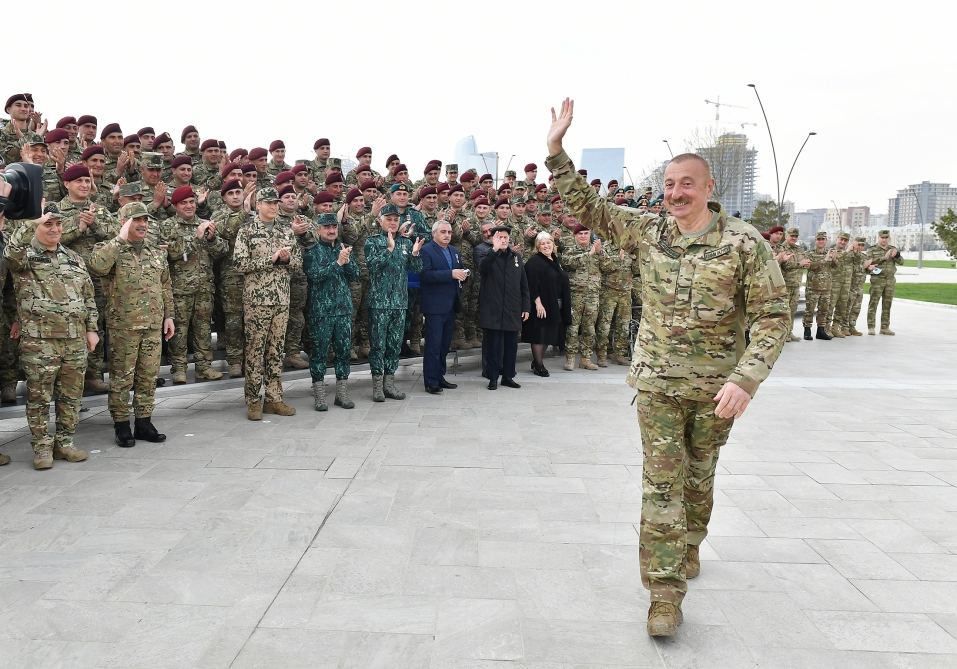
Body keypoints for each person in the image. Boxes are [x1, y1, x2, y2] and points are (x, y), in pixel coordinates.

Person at [545, 98, 789, 637]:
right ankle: (663, 592)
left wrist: (745, 379)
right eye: (669, 184)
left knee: (698, 479)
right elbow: (588, 207)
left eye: (686, 184)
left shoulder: (743, 244)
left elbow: (774, 316)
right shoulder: (648, 232)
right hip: (656, 383)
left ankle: (689, 545)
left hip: (716, 391)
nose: (674, 193)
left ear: (708, 190)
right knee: (662, 483)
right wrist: (556, 149)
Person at [4, 204, 99, 470]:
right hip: (40, 341)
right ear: (37, 227)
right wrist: (31, 221)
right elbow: (10, 252)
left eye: (58, 224)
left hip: (74, 339)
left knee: (71, 396)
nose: (55, 229)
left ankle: (65, 443)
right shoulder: (24, 257)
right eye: (48, 224)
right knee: (39, 397)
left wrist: (92, 329)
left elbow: (88, 296)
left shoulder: (73, 257)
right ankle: (42, 448)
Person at [88, 202, 175, 447]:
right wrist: (119, 239)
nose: (143, 224)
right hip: (123, 326)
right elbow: (96, 266)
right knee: (122, 377)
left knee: (148, 375)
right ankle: (121, 424)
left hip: (152, 324)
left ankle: (144, 422)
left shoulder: (156, 252)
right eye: (136, 220)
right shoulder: (111, 248)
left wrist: (169, 316)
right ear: (124, 222)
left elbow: (166, 285)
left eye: (145, 220)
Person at [232, 187, 303, 420]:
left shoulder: (286, 231)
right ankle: (253, 400)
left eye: (276, 203)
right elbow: (240, 264)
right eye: (269, 203)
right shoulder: (247, 231)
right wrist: (270, 259)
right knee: (255, 350)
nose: (274, 207)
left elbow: (298, 263)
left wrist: (288, 258)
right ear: (258, 205)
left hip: (281, 299)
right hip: (257, 301)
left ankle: (274, 398)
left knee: (275, 350)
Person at [364, 204, 424, 402]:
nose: (392, 222)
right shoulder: (372, 242)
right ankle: (377, 386)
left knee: (394, 345)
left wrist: (415, 253)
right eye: (388, 219)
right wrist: (389, 249)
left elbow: (415, 268)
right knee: (378, 345)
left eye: (395, 219)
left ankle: (389, 384)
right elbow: (372, 267)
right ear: (380, 220)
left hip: (399, 302)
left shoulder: (405, 243)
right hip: (379, 303)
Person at [303, 213, 359, 411]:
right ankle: (319, 395)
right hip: (321, 312)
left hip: (343, 310)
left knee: (343, 352)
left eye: (334, 226)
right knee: (319, 353)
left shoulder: (343, 248)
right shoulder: (312, 252)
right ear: (318, 230)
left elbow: (355, 275)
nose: (331, 230)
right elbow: (315, 276)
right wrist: (337, 264)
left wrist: (347, 260)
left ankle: (341, 394)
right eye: (326, 227)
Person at [478, 225, 530, 390]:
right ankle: (492, 377)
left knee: (511, 346)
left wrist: (526, 307)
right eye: (500, 237)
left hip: (512, 309)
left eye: (506, 237)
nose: (503, 240)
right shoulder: (486, 254)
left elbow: (524, 285)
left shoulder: (516, 257)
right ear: (493, 239)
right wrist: (494, 250)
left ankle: (508, 376)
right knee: (493, 347)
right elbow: (483, 269)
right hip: (493, 310)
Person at [419, 220, 467, 394]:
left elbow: (458, 270)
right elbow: (425, 275)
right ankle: (431, 382)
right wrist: (451, 274)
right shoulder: (426, 250)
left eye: (449, 232)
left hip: (451, 304)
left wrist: (462, 274)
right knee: (433, 345)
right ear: (434, 234)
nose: (447, 235)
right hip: (435, 306)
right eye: (443, 232)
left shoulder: (453, 251)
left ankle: (440, 376)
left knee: (444, 345)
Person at [522, 232, 570, 377]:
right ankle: (538, 365)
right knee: (539, 335)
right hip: (541, 305)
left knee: (549, 335)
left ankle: (537, 361)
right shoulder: (534, 262)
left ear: (553, 245)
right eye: (542, 244)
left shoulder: (555, 260)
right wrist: (538, 303)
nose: (546, 246)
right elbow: (531, 284)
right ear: (538, 247)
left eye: (548, 243)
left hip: (555, 305)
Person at [562, 223, 602, 370]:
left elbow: (609, 267)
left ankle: (585, 358)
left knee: (590, 328)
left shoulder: (598, 251)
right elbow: (568, 263)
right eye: (580, 234)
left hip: (592, 295)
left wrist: (601, 253)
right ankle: (570, 358)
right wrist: (589, 253)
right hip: (576, 295)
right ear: (575, 236)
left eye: (586, 233)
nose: (583, 236)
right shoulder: (570, 251)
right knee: (573, 328)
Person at [864, 228, 903, 335]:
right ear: (878, 238)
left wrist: (897, 255)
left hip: (890, 281)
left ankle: (884, 327)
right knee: (873, 304)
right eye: (882, 238)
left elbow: (902, 262)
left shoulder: (893, 249)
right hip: (877, 280)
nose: (884, 240)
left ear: (889, 238)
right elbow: (867, 263)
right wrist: (883, 258)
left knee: (887, 304)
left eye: (886, 238)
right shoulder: (872, 249)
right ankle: (871, 327)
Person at [803, 231, 836, 341]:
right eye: (819, 239)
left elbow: (836, 267)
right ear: (815, 241)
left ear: (826, 241)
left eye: (823, 239)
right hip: (813, 287)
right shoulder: (810, 253)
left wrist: (834, 258)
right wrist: (824, 259)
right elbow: (811, 266)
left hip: (826, 287)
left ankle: (820, 331)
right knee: (810, 310)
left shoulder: (829, 253)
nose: (821, 241)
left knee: (824, 310)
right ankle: (807, 330)